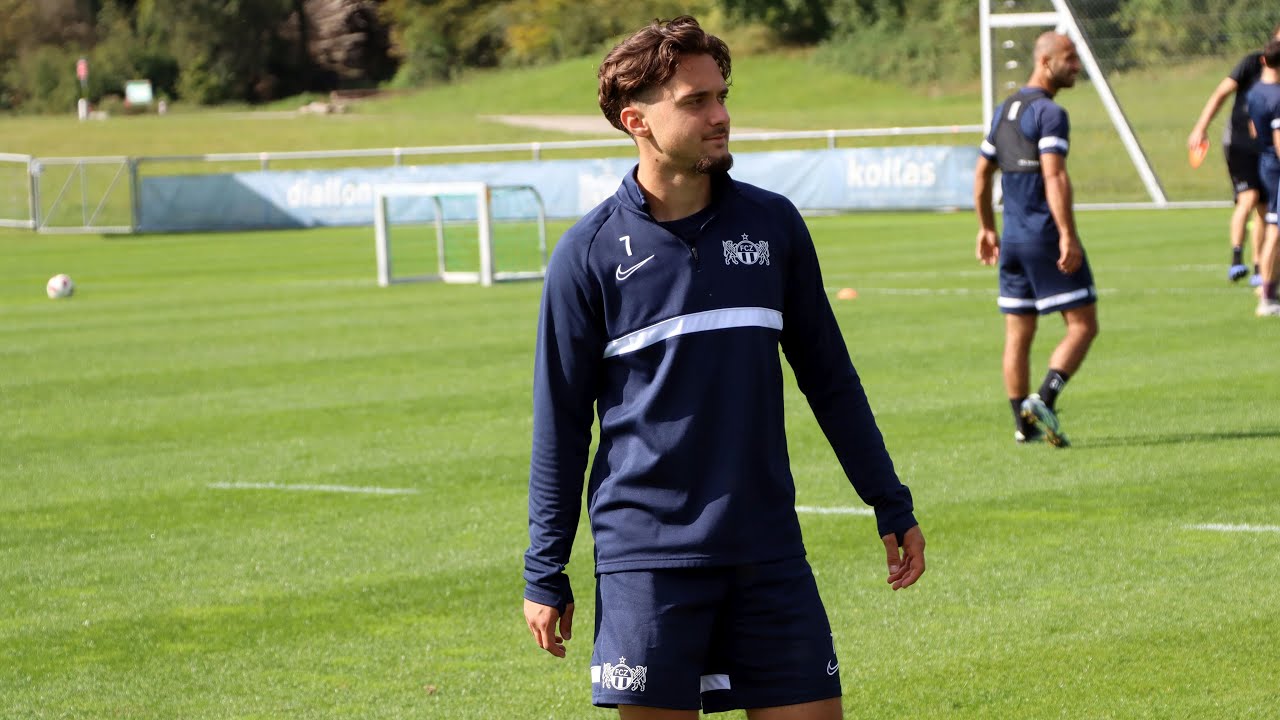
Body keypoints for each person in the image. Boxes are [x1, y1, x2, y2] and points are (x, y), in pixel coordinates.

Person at [521, 15, 925, 719]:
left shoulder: (773, 226)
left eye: (722, 96)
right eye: (697, 101)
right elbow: (561, 421)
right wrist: (544, 567)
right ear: (636, 120)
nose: (721, 116)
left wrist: (887, 498)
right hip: (646, 562)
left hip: (767, 549)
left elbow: (831, 379)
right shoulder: (586, 255)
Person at [973, 31, 1097, 448]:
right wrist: (1068, 235)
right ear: (1045, 62)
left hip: (1012, 240)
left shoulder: (1004, 110)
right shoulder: (1049, 113)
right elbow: (1054, 175)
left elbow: (981, 173)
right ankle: (1044, 398)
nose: (1076, 66)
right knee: (1083, 325)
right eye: (1069, 58)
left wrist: (986, 227)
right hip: (1044, 236)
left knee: (1017, 334)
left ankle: (1021, 426)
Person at [1187, 24, 1280, 287]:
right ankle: (1236, 258)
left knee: (1265, 210)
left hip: (1267, 151)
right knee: (1248, 198)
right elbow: (1221, 93)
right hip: (1239, 144)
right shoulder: (1252, 63)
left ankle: (1260, 268)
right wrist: (1201, 127)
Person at [1244, 38, 1280, 317]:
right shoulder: (1278, 96)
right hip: (1277, 167)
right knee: (1275, 231)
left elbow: (1254, 130)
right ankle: (1266, 298)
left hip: (1265, 163)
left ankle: (1269, 291)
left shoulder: (1255, 91)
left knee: (1273, 226)